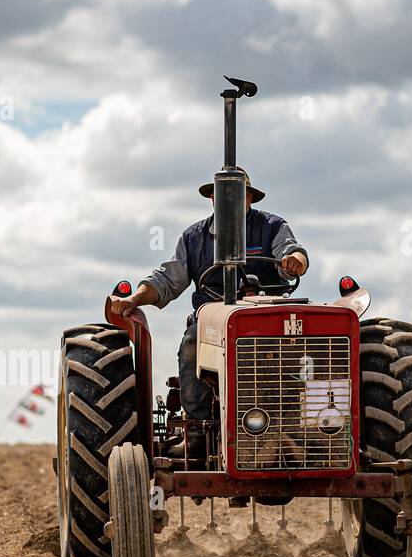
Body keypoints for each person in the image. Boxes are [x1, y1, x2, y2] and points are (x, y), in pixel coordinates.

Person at [110, 170, 309, 455]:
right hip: (213, 322)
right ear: (212, 198)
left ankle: (289, 430)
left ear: (249, 198)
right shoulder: (194, 237)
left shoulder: (272, 226)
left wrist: (294, 261)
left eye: (236, 194)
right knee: (192, 341)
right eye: (221, 194)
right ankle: (198, 432)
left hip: (266, 320)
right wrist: (135, 298)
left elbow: (291, 252)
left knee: (298, 346)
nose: (227, 200)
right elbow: (167, 279)